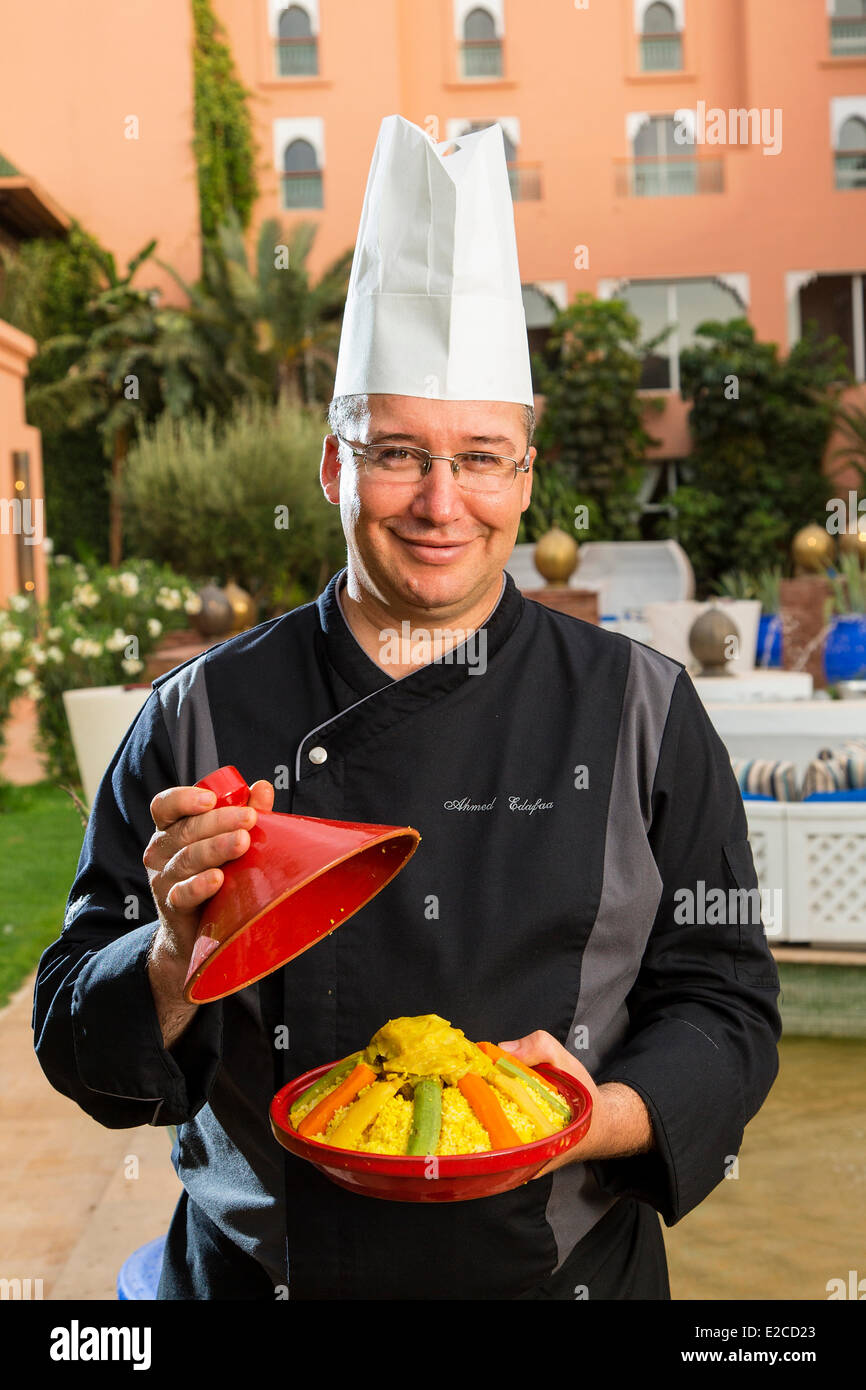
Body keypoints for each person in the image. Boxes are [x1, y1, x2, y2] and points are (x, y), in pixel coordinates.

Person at [32, 117, 781, 1300]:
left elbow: (725, 1000)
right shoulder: (197, 717)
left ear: (524, 476)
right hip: (257, 1282)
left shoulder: (640, 711)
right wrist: (175, 955)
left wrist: (593, 1117)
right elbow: (73, 1022)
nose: (442, 502)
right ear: (333, 467)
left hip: (563, 1278)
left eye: (480, 457)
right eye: (397, 453)